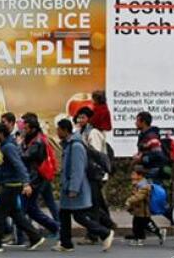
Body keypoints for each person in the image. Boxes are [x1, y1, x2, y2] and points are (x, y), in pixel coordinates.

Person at [0, 122, 45, 253]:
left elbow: (19, 165)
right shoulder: (4, 145)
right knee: (16, 215)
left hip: (11, 185)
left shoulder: (8, 147)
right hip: (8, 183)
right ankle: (35, 237)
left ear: (1, 134)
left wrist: (26, 183)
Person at [54, 118, 113, 253]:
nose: (57, 132)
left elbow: (78, 169)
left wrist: (74, 189)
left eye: (58, 130)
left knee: (78, 216)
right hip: (69, 186)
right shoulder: (69, 145)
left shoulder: (76, 146)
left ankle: (105, 233)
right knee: (64, 214)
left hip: (76, 188)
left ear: (65, 130)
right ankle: (66, 243)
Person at [75, 107, 115, 240]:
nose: (80, 120)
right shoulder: (82, 132)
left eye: (83, 117)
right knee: (97, 203)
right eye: (79, 117)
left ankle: (94, 235)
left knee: (93, 204)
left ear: (89, 119)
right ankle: (108, 226)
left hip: (96, 174)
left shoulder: (93, 133)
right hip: (89, 173)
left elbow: (96, 155)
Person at [20, 114, 60, 240]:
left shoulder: (37, 141)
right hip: (40, 176)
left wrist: (17, 147)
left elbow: (26, 156)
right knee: (37, 206)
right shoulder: (32, 138)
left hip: (37, 177)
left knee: (29, 207)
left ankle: (53, 228)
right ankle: (56, 227)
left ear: (32, 128)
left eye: (25, 128)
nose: (23, 130)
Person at [124, 167, 153, 246]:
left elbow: (139, 196)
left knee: (140, 225)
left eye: (134, 174)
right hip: (138, 209)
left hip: (142, 209)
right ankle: (137, 237)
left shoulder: (144, 185)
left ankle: (140, 238)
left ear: (140, 175)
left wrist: (129, 200)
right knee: (138, 224)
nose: (132, 176)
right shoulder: (138, 183)